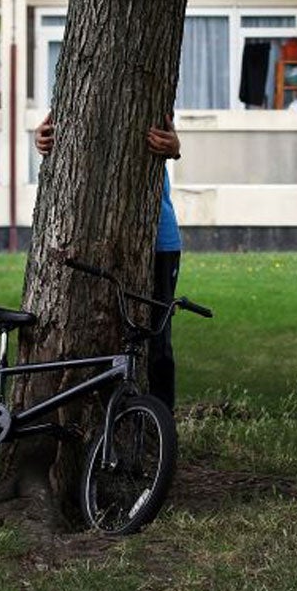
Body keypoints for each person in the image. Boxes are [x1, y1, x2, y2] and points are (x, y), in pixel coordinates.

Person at [34, 111, 182, 412]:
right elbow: (51, 132)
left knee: (156, 342)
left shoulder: (151, 96)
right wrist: (42, 139)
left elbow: (168, 135)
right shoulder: (78, 99)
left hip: (157, 241)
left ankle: (158, 427)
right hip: (89, 239)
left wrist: (175, 148)